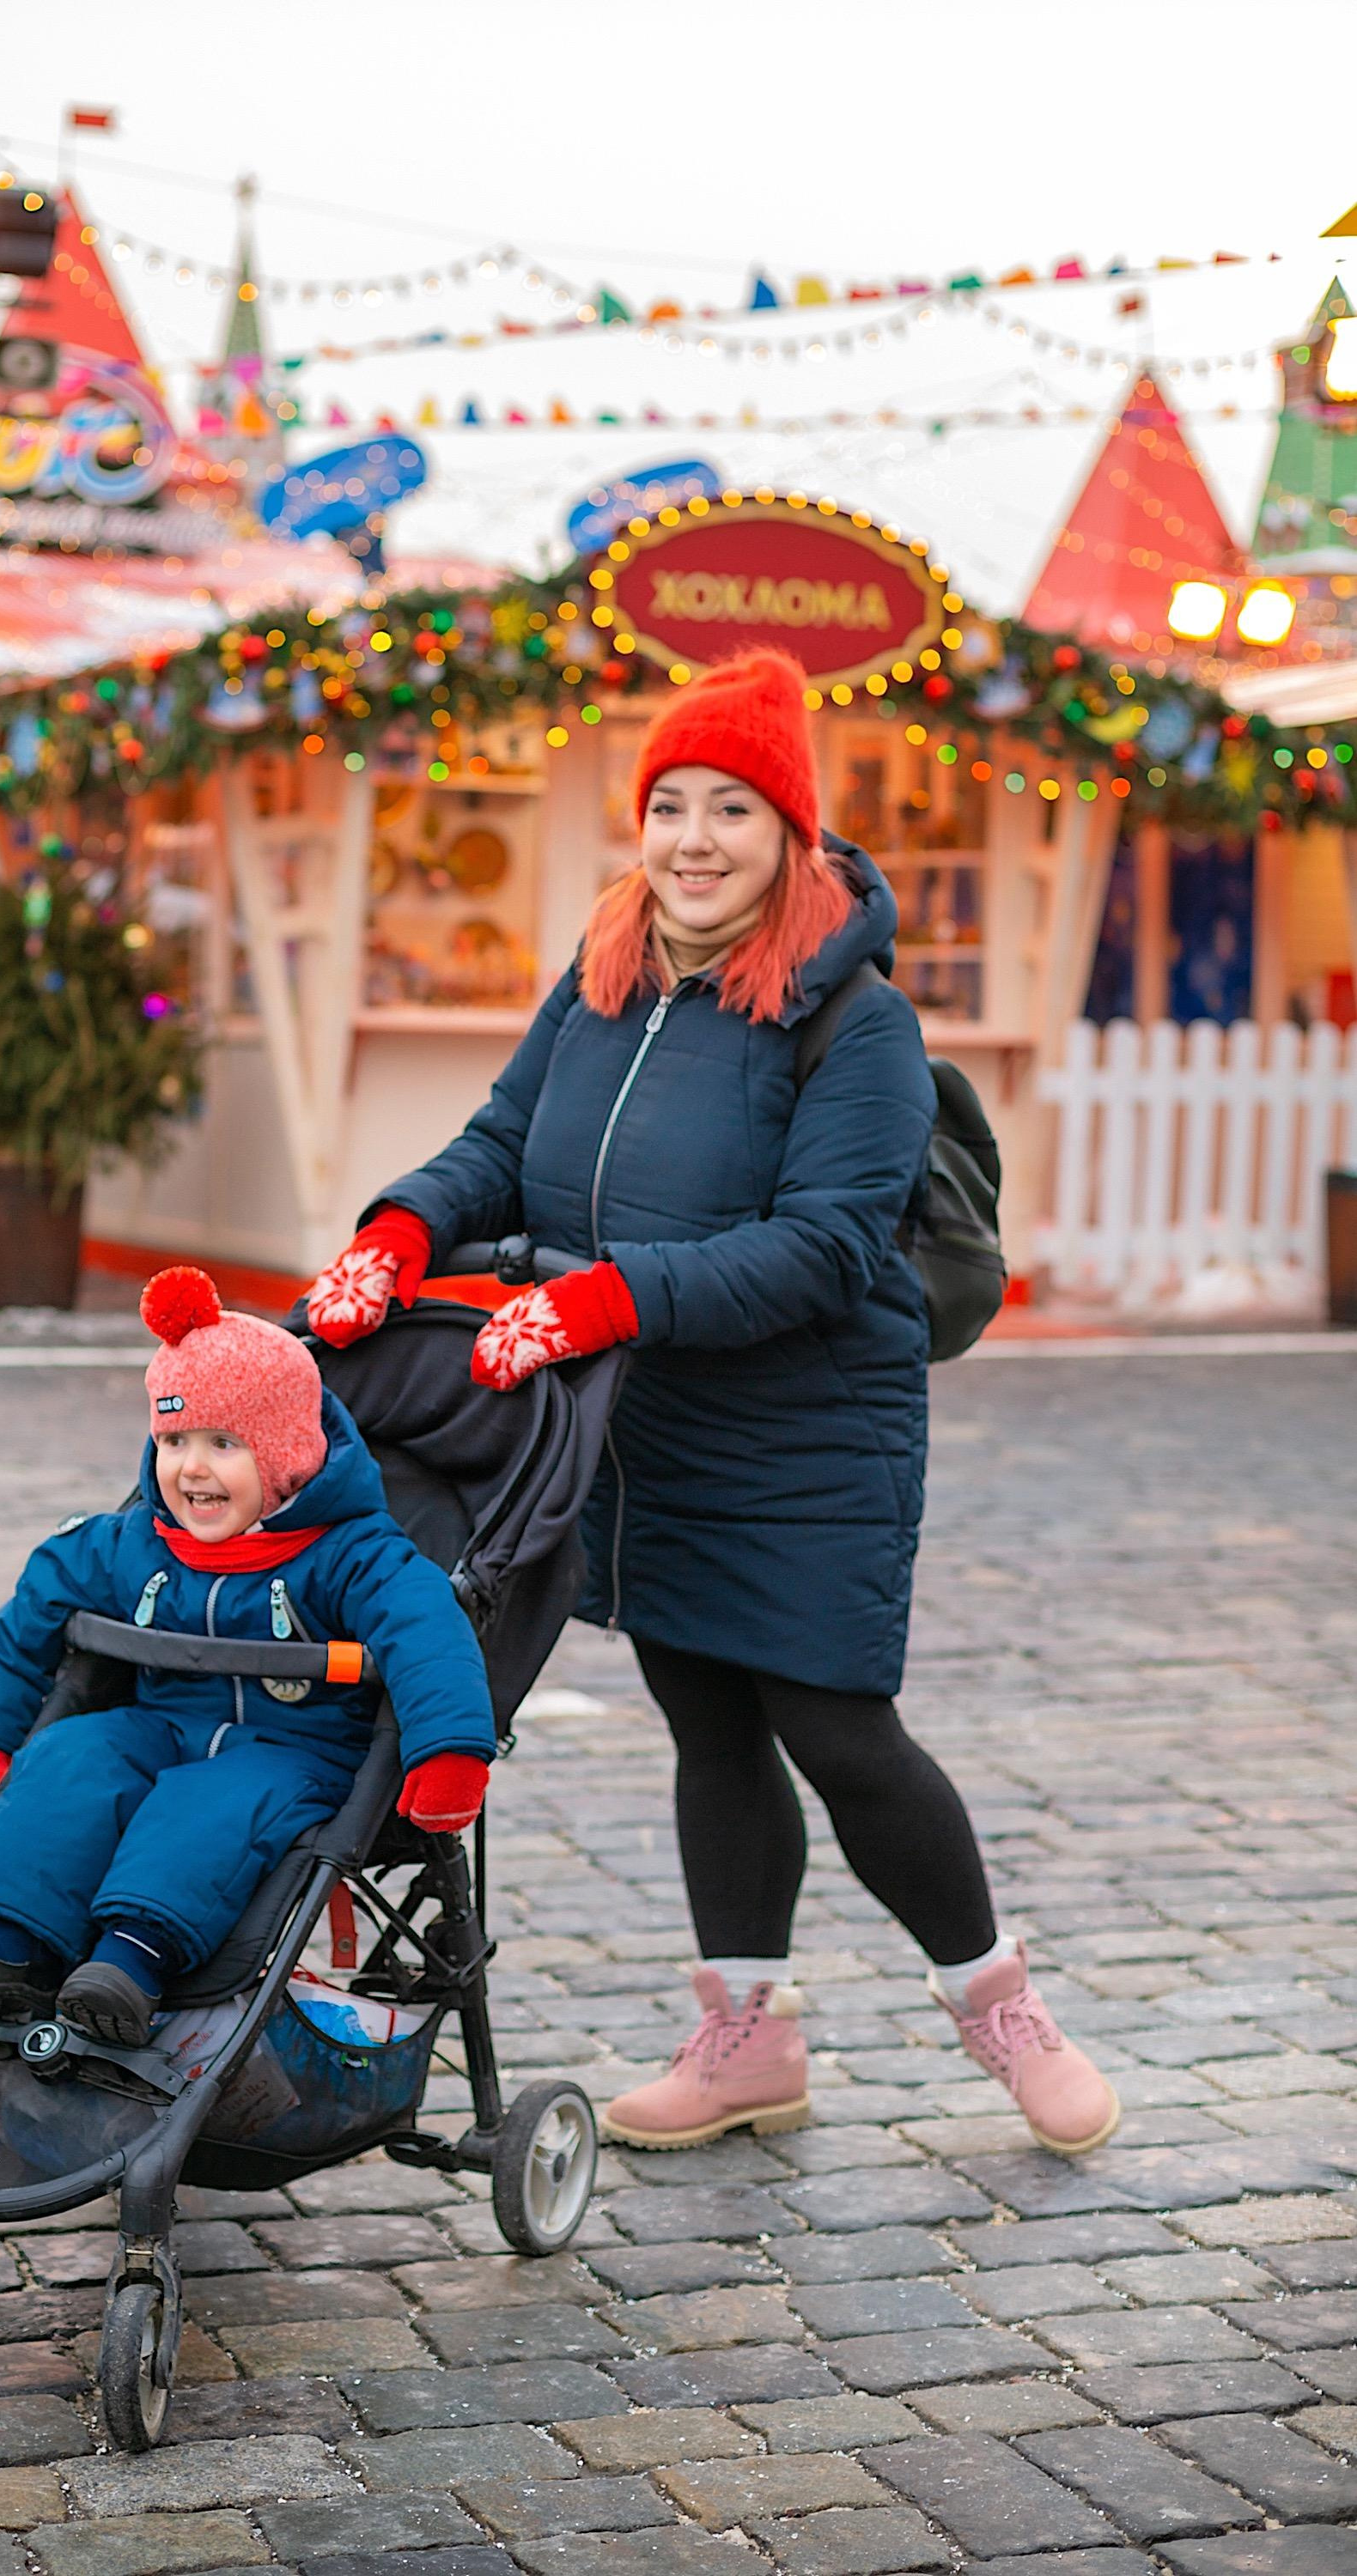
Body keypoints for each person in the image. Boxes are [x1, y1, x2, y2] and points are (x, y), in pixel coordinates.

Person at [307, 650, 1118, 2158]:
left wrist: (603, 1300)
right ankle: (747, 2039)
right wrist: (400, 1230)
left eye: (730, 809)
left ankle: (999, 2008)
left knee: (838, 1728)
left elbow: (824, 1249)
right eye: (668, 804)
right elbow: (501, 1144)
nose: (692, 839)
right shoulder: (601, 978)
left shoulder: (854, 1020)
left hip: (808, 1431)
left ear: (789, 831)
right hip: (641, 1427)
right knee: (706, 1719)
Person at [0, 1267, 496, 2048]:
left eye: (223, 1444)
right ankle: (10, 1940)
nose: (191, 1468)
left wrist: (450, 1751)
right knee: (75, 1753)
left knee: (216, 1799)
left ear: (286, 1454)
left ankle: (131, 1958)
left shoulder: (350, 1555)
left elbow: (429, 1632)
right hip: (165, 1724)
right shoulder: (139, 1542)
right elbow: (38, 1599)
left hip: (296, 1751)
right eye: (173, 1441)